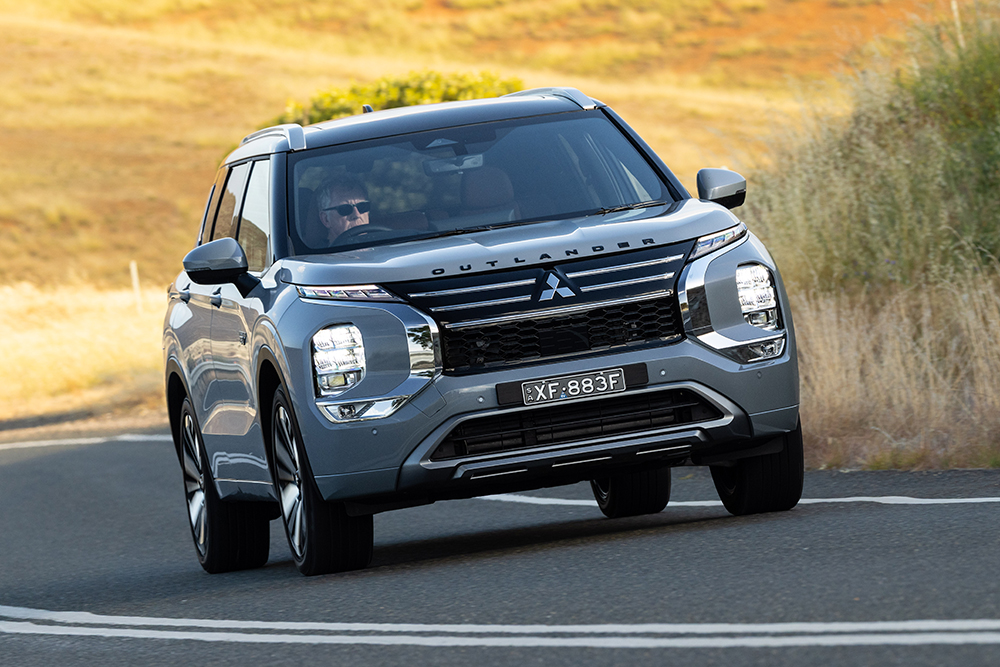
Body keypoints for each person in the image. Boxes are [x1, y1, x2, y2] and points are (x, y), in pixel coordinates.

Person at [316, 176, 370, 244]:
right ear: (326, 219)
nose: (357, 215)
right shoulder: (321, 254)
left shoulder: (382, 244)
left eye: (362, 206)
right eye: (345, 209)